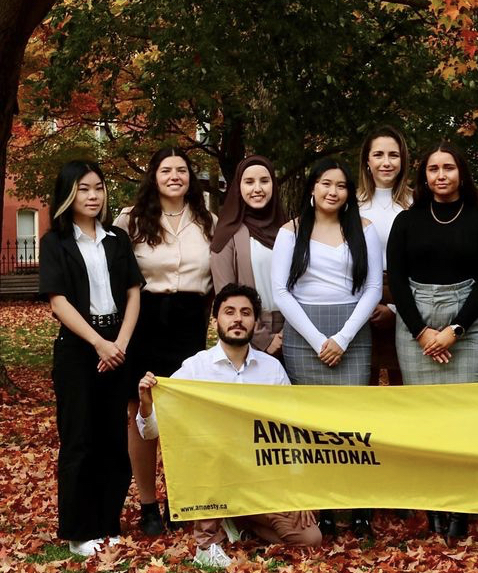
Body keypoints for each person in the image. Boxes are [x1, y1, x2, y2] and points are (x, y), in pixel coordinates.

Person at [136, 284, 321, 569]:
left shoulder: (272, 370)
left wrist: (298, 494)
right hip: (214, 474)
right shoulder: (195, 369)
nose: (238, 319)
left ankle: (238, 523)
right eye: (229, 312)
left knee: (310, 537)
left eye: (246, 313)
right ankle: (206, 543)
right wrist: (147, 405)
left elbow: (290, 436)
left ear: (255, 323)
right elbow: (150, 431)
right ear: (215, 321)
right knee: (212, 440)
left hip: (260, 480)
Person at [386, 141, 478, 539]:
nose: (440, 176)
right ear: (424, 177)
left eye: (448, 168)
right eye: (433, 169)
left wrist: (455, 331)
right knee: (427, 421)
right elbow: (396, 280)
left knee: (465, 419)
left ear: (461, 173)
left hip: (467, 324)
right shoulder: (407, 221)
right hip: (415, 323)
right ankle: (434, 504)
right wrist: (421, 332)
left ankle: (461, 508)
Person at [271, 157, 382, 538]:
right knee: (314, 428)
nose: (333, 191)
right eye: (325, 184)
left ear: (349, 193)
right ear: (313, 188)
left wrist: (343, 338)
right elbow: (281, 292)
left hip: (352, 331)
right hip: (305, 335)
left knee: (353, 425)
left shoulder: (363, 229)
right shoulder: (291, 231)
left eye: (341, 186)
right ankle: (324, 509)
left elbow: (373, 290)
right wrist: (319, 340)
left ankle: (360, 508)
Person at [38, 161, 144, 557]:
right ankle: (79, 531)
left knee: (113, 441)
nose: (93, 196)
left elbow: (134, 293)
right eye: (84, 189)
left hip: (118, 346)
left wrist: (119, 344)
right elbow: (58, 301)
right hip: (78, 350)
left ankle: (107, 523)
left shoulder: (117, 239)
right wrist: (99, 343)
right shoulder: (55, 243)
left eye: (98, 188)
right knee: (79, 439)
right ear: (68, 194)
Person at [114, 147, 217, 536]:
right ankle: (148, 505)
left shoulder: (208, 220)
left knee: (181, 417)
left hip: (190, 323)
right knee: (140, 416)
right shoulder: (132, 220)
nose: (175, 175)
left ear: (191, 177)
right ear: (153, 176)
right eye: (166, 169)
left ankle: (181, 497)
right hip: (146, 320)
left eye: (182, 170)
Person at [210, 155, 288, 354]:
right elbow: (225, 295)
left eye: (264, 181)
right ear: (238, 187)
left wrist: (290, 332)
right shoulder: (228, 234)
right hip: (248, 332)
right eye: (249, 182)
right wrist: (263, 339)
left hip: (292, 332)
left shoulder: (288, 230)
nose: (257, 189)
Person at [357, 125, 412, 385]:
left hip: (405, 298)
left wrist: (395, 309)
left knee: (402, 381)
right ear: (367, 161)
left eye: (394, 155)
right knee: (363, 381)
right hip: (359, 297)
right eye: (378, 155)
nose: (386, 162)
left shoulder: (417, 204)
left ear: (403, 160)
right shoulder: (351, 204)